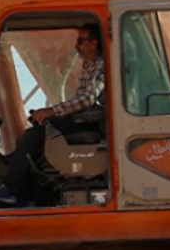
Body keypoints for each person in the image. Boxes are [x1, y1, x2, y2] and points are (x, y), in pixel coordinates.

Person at [13, 22, 105, 205]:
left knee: (33, 135)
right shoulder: (89, 65)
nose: (77, 46)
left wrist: (52, 111)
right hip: (84, 118)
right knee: (39, 129)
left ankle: (15, 190)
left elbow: (87, 99)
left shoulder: (101, 66)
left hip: (92, 122)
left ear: (94, 43)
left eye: (81, 41)